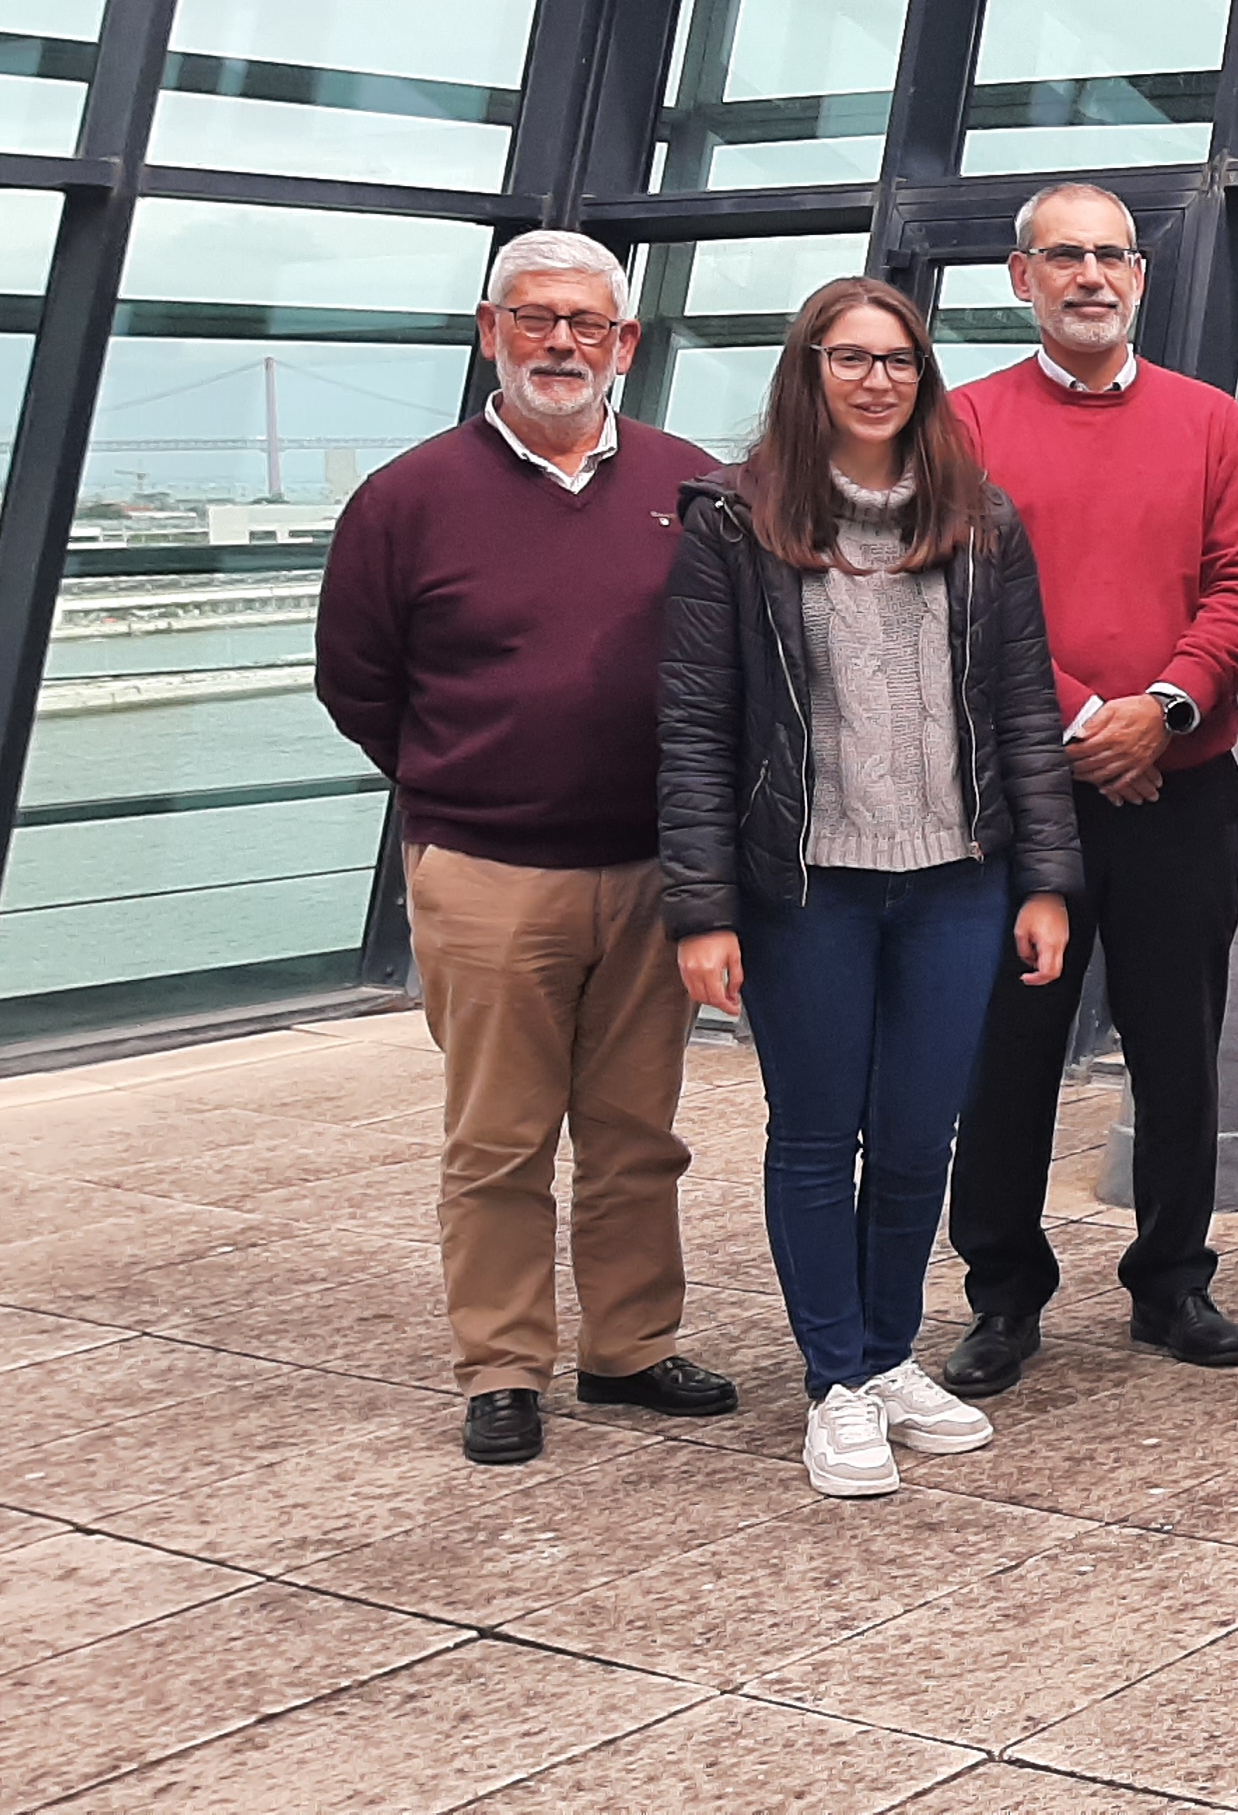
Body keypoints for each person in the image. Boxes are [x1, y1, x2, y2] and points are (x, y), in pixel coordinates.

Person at [315, 231, 739, 1466]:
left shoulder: (690, 482)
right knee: (498, 1137)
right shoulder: (405, 498)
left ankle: (630, 1348)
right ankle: (502, 1365)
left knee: (636, 1129)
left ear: (627, 345)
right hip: (488, 872)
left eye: (587, 325)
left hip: (657, 869)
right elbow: (358, 684)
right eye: (536, 319)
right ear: (489, 329)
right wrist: (473, 781)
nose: (563, 343)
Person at [660, 278, 1082, 1500]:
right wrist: (702, 910)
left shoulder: (981, 521)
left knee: (913, 1141)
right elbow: (694, 728)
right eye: (849, 358)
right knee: (813, 1136)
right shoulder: (733, 527)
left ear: (924, 376)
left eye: (898, 359)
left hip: (956, 880)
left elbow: (1022, 715)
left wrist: (1045, 880)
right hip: (808, 890)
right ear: (810, 371)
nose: (876, 379)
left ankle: (892, 1354)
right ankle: (834, 1381)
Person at [941, 182, 1238, 1396]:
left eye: (1112, 256)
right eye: (1064, 256)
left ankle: (1173, 1278)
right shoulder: (964, 425)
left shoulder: (1213, 425)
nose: (1091, 276)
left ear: (1142, 276)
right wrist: (1088, 719)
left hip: (1182, 785)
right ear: (1020, 278)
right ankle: (1003, 1297)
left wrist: (1163, 709)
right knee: (1009, 1054)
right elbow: (969, 603)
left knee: (1177, 1046)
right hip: (1027, 794)